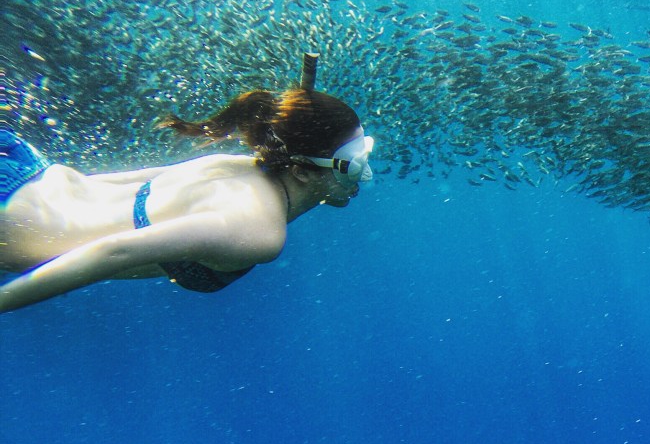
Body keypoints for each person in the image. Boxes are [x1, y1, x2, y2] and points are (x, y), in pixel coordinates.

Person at [0, 68, 373, 314]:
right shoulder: (260, 231)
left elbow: (126, 183)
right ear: (300, 172)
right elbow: (115, 250)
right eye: (354, 162)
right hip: (13, 217)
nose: (366, 175)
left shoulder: (238, 165)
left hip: (30, 170)